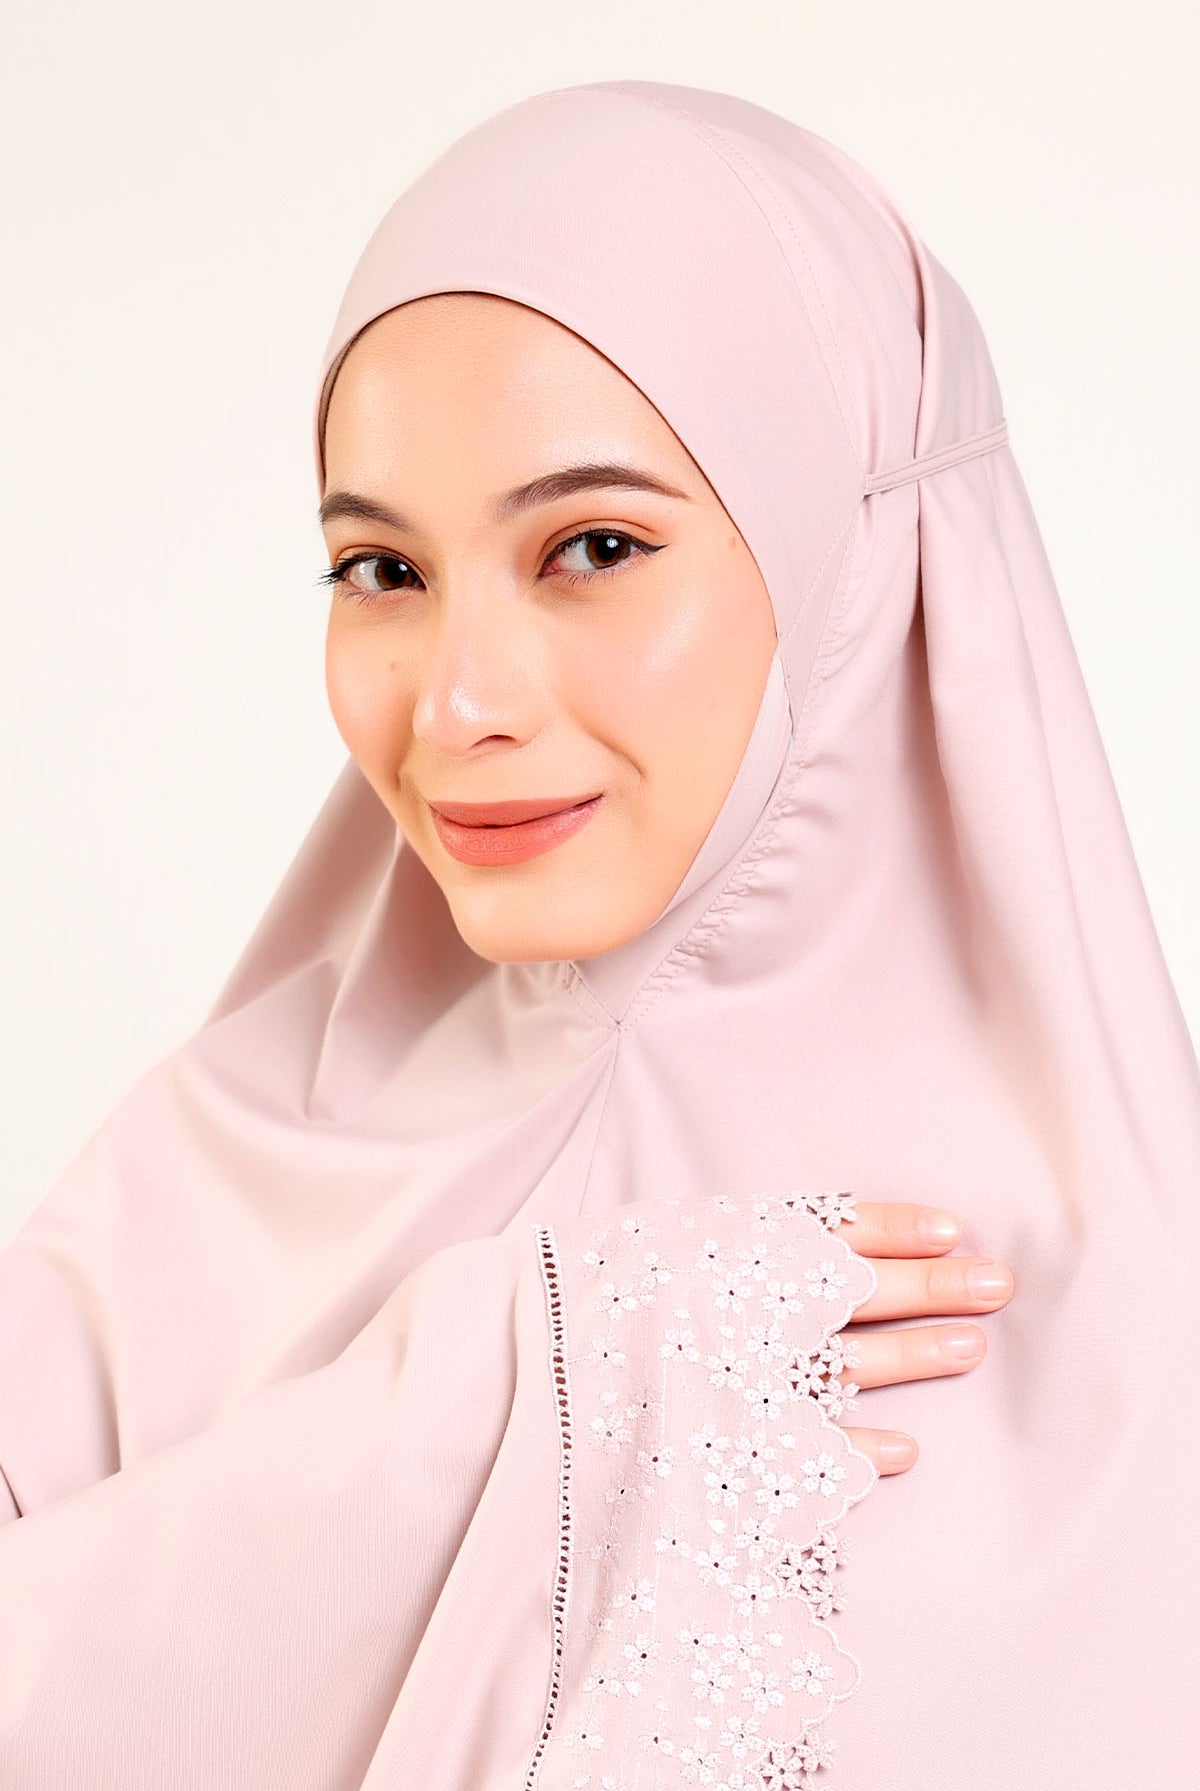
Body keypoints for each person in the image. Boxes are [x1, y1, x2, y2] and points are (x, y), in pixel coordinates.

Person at [0, 77, 1195, 1790]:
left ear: (852, 559)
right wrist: (497, 1395)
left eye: (594, 547)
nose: (456, 706)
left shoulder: (1123, 1328)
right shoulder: (233, 1154)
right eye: (383, 572)